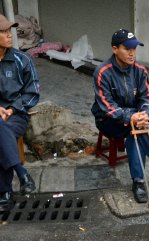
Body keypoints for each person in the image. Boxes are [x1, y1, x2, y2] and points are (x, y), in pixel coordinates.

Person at [91, 29, 149, 203]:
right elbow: (107, 107)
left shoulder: (140, 70)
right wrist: (132, 117)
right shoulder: (102, 72)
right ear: (114, 49)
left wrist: (144, 114)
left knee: (135, 130)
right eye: (127, 48)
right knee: (134, 128)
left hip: (134, 119)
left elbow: (147, 97)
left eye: (134, 48)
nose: (132, 52)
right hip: (107, 119)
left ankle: (139, 182)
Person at [0, 15, 39, 212]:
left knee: (1, 129)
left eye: (10, 31)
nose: (10, 35)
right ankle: (21, 173)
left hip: (17, 115)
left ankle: (4, 192)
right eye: (4, 32)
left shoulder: (21, 60)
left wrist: (12, 109)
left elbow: (32, 94)